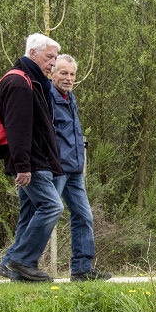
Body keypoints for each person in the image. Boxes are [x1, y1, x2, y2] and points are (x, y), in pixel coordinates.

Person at [0, 33, 65, 282]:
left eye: (55, 58)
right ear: (32, 53)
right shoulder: (19, 83)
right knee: (52, 206)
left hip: (36, 159)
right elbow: (18, 128)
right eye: (49, 57)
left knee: (30, 212)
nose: (53, 63)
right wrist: (23, 166)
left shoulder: (32, 81)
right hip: (31, 162)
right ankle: (21, 260)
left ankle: (16, 272)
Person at [47, 54, 110, 281]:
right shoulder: (47, 97)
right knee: (44, 215)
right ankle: (22, 265)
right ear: (52, 73)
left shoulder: (69, 97)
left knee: (84, 215)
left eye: (72, 74)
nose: (69, 78)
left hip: (74, 169)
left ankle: (82, 269)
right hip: (55, 168)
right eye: (63, 73)